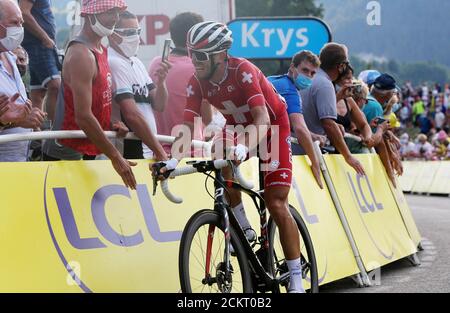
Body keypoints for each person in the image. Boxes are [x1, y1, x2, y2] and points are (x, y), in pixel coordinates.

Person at [153, 21, 305, 293]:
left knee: (275, 201)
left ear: (221, 54)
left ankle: (295, 280)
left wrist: (245, 147)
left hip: (271, 126)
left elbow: (262, 117)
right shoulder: (197, 81)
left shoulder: (242, 70)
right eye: (191, 55)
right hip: (236, 126)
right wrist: (172, 161)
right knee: (218, 150)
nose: (194, 62)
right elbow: (187, 126)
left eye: (200, 56)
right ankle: (243, 227)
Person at [55, 0, 137, 190]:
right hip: (70, 149)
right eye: (109, 12)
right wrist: (116, 157)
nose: (116, 18)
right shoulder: (81, 54)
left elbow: (98, 101)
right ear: (90, 14)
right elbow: (82, 116)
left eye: (117, 11)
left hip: (92, 143)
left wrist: (111, 124)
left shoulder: (101, 49)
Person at [107, 10, 168, 161]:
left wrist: (161, 82)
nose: (136, 37)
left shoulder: (137, 62)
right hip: (131, 150)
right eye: (129, 32)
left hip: (148, 149)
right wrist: (160, 152)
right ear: (112, 34)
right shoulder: (114, 62)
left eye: (137, 31)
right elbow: (132, 115)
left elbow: (159, 105)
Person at [300, 42, 365, 175]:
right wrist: (348, 156)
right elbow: (328, 124)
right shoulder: (325, 84)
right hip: (307, 152)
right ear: (341, 66)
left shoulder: (311, 77)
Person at [148, 12, 206, 155]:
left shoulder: (156, 63)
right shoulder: (198, 68)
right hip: (192, 152)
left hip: (159, 151)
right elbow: (209, 117)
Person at [268, 50, 323, 188]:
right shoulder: (290, 90)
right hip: (264, 144)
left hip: (246, 135)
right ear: (292, 67)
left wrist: (312, 135)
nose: (308, 76)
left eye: (312, 73)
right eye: (305, 70)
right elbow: (299, 128)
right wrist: (315, 163)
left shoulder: (274, 79)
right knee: (277, 199)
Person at [0, 0, 45, 161]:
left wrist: (29, 116)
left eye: (21, 23)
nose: (19, 28)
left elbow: (16, 113)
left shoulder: (11, 57)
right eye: (14, 23)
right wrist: (12, 122)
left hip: (18, 165)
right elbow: (10, 119)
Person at [19, 0, 60, 122]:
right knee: (55, 86)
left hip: (40, 45)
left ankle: (36, 132)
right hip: (39, 45)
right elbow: (24, 13)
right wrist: (45, 38)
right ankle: (54, 132)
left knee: (38, 92)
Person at [334, 67, 386, 154]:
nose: (351, 82)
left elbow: (363, 125)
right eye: (348, 78)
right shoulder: (375, 106)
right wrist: (380, 129)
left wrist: (367, 135)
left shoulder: (348, 100)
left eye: (352, 78)